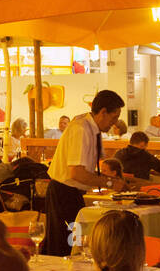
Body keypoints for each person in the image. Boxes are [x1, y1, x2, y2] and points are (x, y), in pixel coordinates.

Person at [44, 90, 127, 257]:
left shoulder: (88, 126)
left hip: (70, 193)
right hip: (63, 194)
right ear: (103, 112)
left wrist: (108, 179)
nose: (115, 122)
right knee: (66, 247)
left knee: (74, 244)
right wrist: (110, 183)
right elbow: (77, 173)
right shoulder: (81, 128)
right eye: (114, 117)